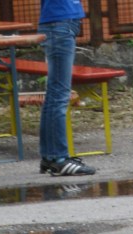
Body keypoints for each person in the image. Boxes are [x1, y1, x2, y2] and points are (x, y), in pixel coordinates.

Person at [37, 0, 96, 176]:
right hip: (59, 24)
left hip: (61, 23)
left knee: (54, 95)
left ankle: (50, 156)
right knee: (59, 95)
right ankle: (59, 158)